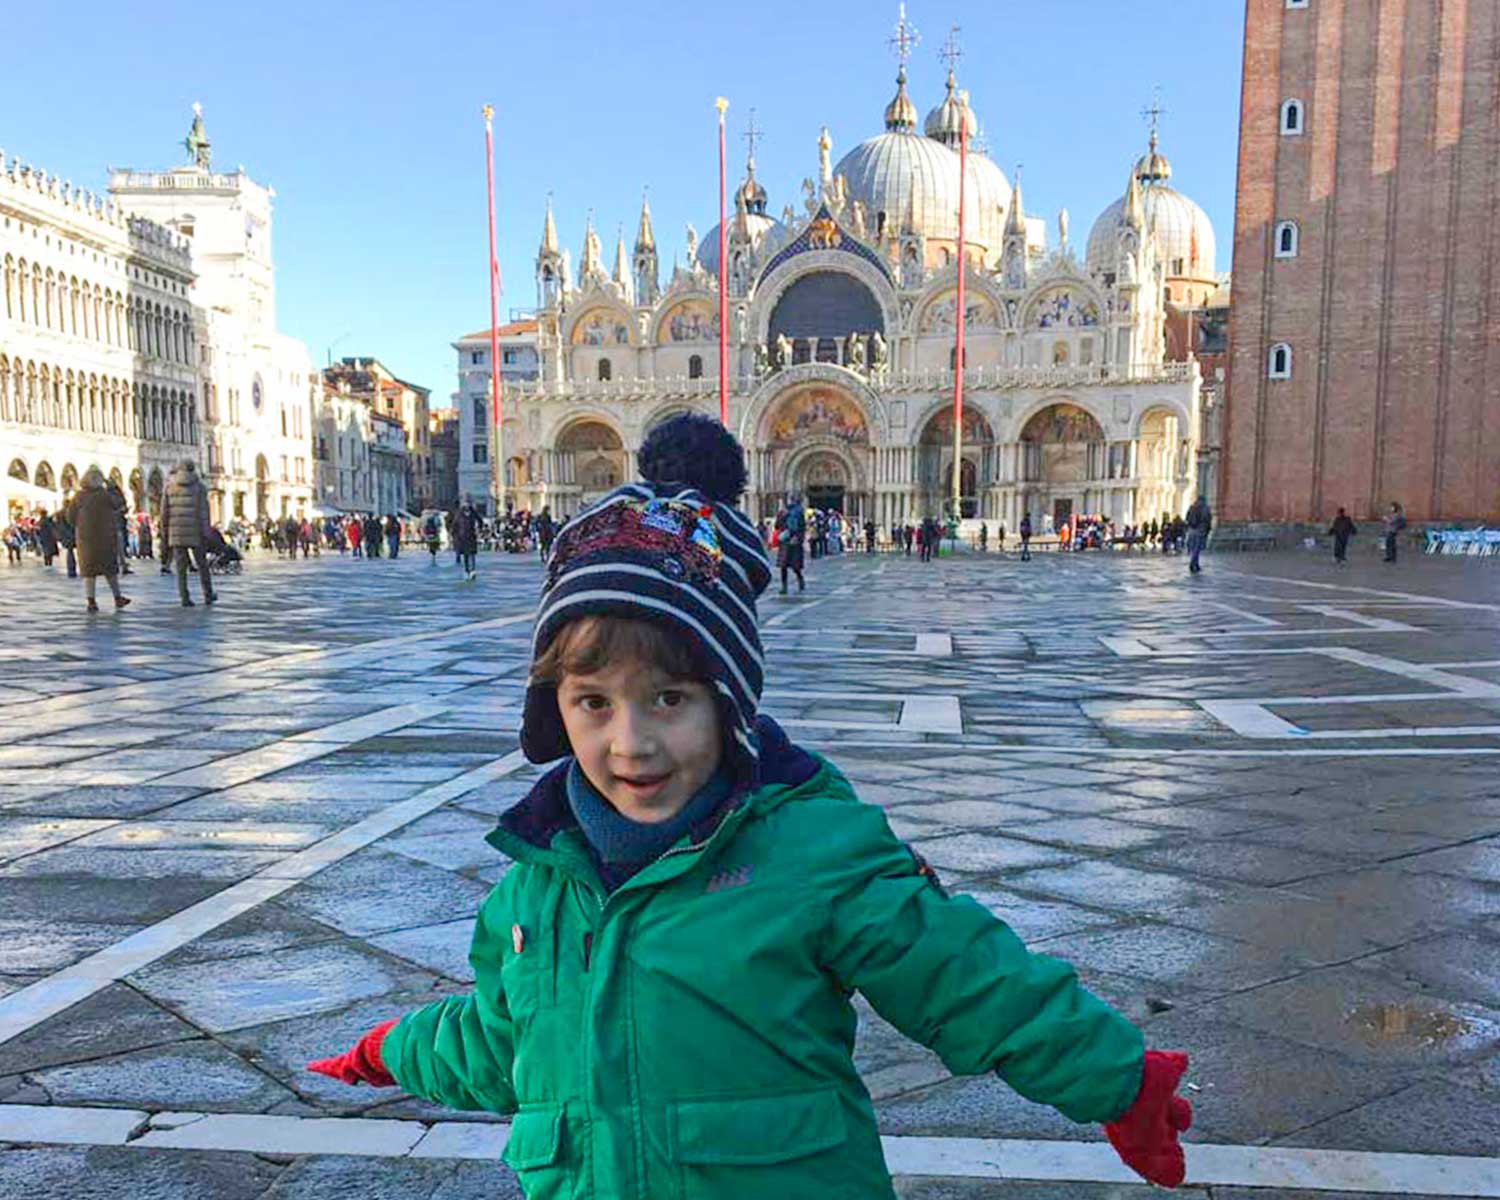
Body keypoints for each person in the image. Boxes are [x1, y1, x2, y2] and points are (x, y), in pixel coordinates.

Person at [308, 412, 1194, 1198]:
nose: (631, 743)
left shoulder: (811, 849)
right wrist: (392, 1049)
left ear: (728, 701)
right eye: (593, 704)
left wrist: (1118, 1079)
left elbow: (965, 978)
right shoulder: (533, 890)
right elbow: (502, 1036)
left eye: (669, 699)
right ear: (555, 710)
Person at [65, 468, 130, 612]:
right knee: (110, 570)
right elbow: (120, 503)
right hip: (105, 537)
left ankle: (91, 601)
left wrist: (81, 526)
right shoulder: (105, 495)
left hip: (86, 539)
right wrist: (113, 487)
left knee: (89, 571)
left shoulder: (79, 496)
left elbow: (69, 517)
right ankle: (117, 598)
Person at [160, 459, 215, 606]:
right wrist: (206, 531)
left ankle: (184, 597)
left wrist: (164, 531)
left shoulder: (169, 487)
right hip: (196, 531)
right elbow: (204, 512)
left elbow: (164, 512)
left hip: (176, 532)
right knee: (202, 564)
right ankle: (208, 594)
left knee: (181, 567)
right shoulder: (200, 487)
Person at [775, 495, 806, 594]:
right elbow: (777, 526)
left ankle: (800, 579)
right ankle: (784, 586)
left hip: (795, 541)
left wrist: (798, 538)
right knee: (783, 566)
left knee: (795, 566)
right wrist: (781, 516)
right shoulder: (782, 512)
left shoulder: (799, 512)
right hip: (785, 540)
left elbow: (802, 527)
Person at [1184, 495, 1213, 575]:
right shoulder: (1205, 508)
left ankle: (1196, 564)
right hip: (1201, 530)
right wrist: (1207, 529)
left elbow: (1187, 518)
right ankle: (1193, 564)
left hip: (1192, 530)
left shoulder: (1192, 507)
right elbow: (1207, 519)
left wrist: (1190, 526)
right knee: (1197, 548)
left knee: (1193, 548)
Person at [453, 497, 480, 581]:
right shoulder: (459, 514)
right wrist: (455, 535)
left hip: (471, 536)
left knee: (472, 554)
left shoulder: (473, 513)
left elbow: (480, 521)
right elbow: (454, 525)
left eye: (468, 503)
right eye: (465, 503)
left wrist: (479, 530)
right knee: (465, 555)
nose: (467, 505)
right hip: (462, 537)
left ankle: (473, 571)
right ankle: (467, 571)